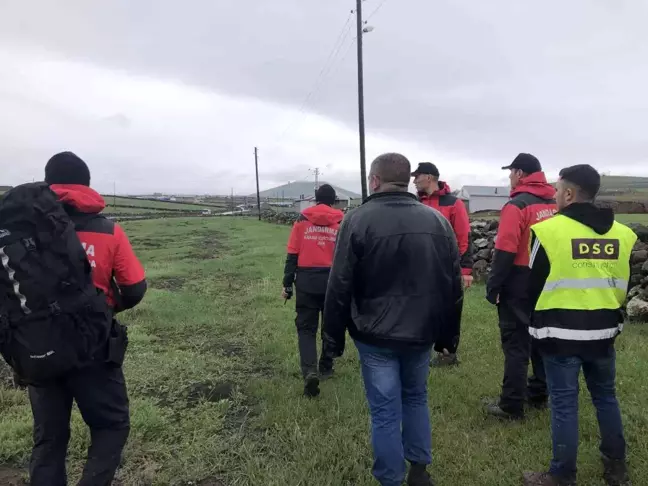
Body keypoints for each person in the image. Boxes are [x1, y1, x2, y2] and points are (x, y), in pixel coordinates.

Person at [324, 153, 464, 486]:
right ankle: (419, 469)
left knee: (385, 410)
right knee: (416, 396)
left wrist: (332, 339)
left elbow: (339, 284)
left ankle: (391, 479)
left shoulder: (356, 220)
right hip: (421, 332)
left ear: (374, 180)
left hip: (374, 335)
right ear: (406, 181)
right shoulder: (437, 222)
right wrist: (448, 337)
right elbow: (453, 284)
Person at [28, 152, 147, 486]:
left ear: (48, 184)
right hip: (93, 346)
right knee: (111, 425)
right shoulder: (109, 231)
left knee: (48, 440)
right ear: (87, 185)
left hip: (37, 350)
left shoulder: (23, 232)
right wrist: (104, 309)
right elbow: (135, 288)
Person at [523, 165, 635, 486]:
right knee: (605, 397)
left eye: (558, 190)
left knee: (564, 403)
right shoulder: (623, 234)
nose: (555, 195)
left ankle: (561, 475)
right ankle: (616, 468)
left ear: (569, 194)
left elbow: (533, 286)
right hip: (603, 333)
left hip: (559, 335)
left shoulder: (548, 231)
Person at [485, 153, 556, 420]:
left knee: (516, 344)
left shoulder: (517, 205)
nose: (509, 178)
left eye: (511, 172)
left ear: (520, 174)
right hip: (549, 281)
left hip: (518, 280)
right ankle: (538, 394)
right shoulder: (555, 202)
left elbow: (505, 249)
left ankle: (511, 405)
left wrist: (494, 286)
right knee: (541, 338)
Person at [282, 184, 344, 397]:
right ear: (334, 200)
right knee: (330, 326)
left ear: (316, 199)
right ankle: (326, 367)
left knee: (306, 329)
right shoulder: (341, 221)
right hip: (332, 282)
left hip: (307, 282)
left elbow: (292, 254)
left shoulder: (302, 220)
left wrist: (287, 284)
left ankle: (309, 371)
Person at [412, 162, 472, 367]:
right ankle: (417, 348)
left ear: (429, 178)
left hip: (445, 269)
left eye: (417, 176)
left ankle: (447, 353)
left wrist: (465, 270)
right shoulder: (413, 203)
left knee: (448, 310)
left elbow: (463, 237)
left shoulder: (454, 203)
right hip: (417, 268)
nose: (414, 180)